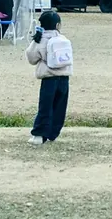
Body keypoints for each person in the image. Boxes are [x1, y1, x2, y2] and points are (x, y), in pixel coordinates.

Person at [26, 10, 73, 145]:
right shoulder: (63, 39)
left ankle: (39, 134)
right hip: (64, 78)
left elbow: (31, 58)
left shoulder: (41, 40)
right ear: (58, 25)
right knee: (59, 107)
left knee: (45, 106)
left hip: (49, 79)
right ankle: (53, 133)